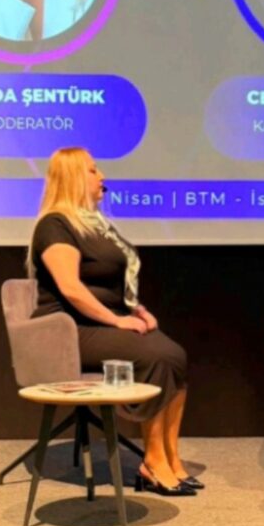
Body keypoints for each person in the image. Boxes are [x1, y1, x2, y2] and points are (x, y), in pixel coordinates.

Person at [26, 147, 199, 496]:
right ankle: (153, 462)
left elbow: (110, 287)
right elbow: (71, 288)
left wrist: (136, 310)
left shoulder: (96, 226)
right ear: (74, 178)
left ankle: (171, 457)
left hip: (99, 323)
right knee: (156, 356)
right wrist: (117, 322)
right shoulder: (55, 225)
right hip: (66, 330)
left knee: (175, 355)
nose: (102, 176)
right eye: (93, 170)